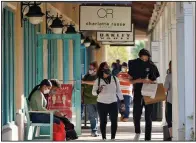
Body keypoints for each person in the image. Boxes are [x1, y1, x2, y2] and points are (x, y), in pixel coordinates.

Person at [128, 49, 160, 141]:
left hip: (149, 92)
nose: (146, 58)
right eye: (144, 57)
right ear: (140, 56)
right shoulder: (133, 64)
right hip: (138, 92)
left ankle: (148, 138)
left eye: (147, 57)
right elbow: (130, 80)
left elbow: (154, 79)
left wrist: (148, 81)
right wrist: (139, 80)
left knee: (148, 116)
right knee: (136, 114)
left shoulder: (152, 65)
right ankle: (137, 131)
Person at [92, 62, 125, 140]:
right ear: (102, 71)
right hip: (101, 103)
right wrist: (98, 91)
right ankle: (104, 138)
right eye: (105, 69)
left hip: (113, 103)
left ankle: (113, 138)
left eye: (108, 68)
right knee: (103, 121)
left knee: (114, 121)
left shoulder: (115, 79)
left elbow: (119, 91)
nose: (107, 70)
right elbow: (93, 92)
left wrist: (122, 101)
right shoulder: (98, 80)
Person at [81, 61, 99, 137]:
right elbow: (82, 88)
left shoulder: (99, 76)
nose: (90, 69)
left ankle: (95, 129)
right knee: (92, 116)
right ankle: (94, 130)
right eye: (89, 67)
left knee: (96, 115)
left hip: (98, 99)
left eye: (92, 67)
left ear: (96, 68)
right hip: (88, 99)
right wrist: (81, 97)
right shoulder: (86, 76)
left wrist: (84, 82)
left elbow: (95, 83)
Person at [164, 61, 172, 141]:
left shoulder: (168, 76)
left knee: (169, 118)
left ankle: (171, 136)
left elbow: (165, 89)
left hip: (170, 100)